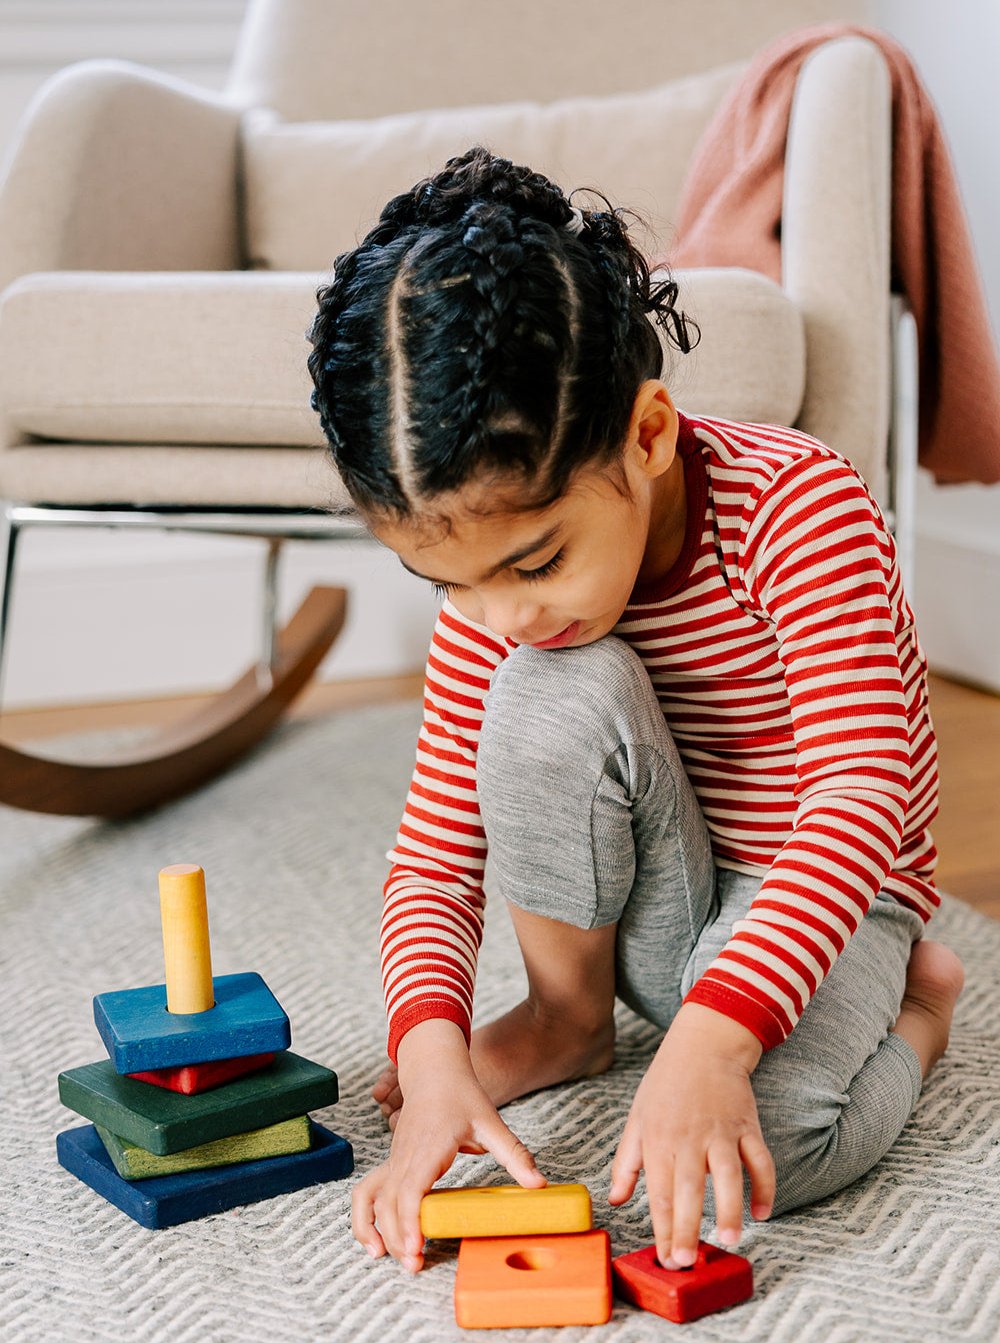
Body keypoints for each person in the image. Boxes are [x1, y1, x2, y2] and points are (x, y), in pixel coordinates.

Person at [306, 145, 965, 1275]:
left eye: (535, 560)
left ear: (649, 435)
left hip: (824, 896)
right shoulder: (498, 609)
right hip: (666, 895)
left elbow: (862, 794)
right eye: (448, 582)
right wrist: (430, 1058)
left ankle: (921, 1017)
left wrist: (712, 1044)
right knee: (552, 690)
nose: (494, 613)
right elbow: (432, 852)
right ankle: (570, 1020)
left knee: (766, 1166)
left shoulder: (798, 506)